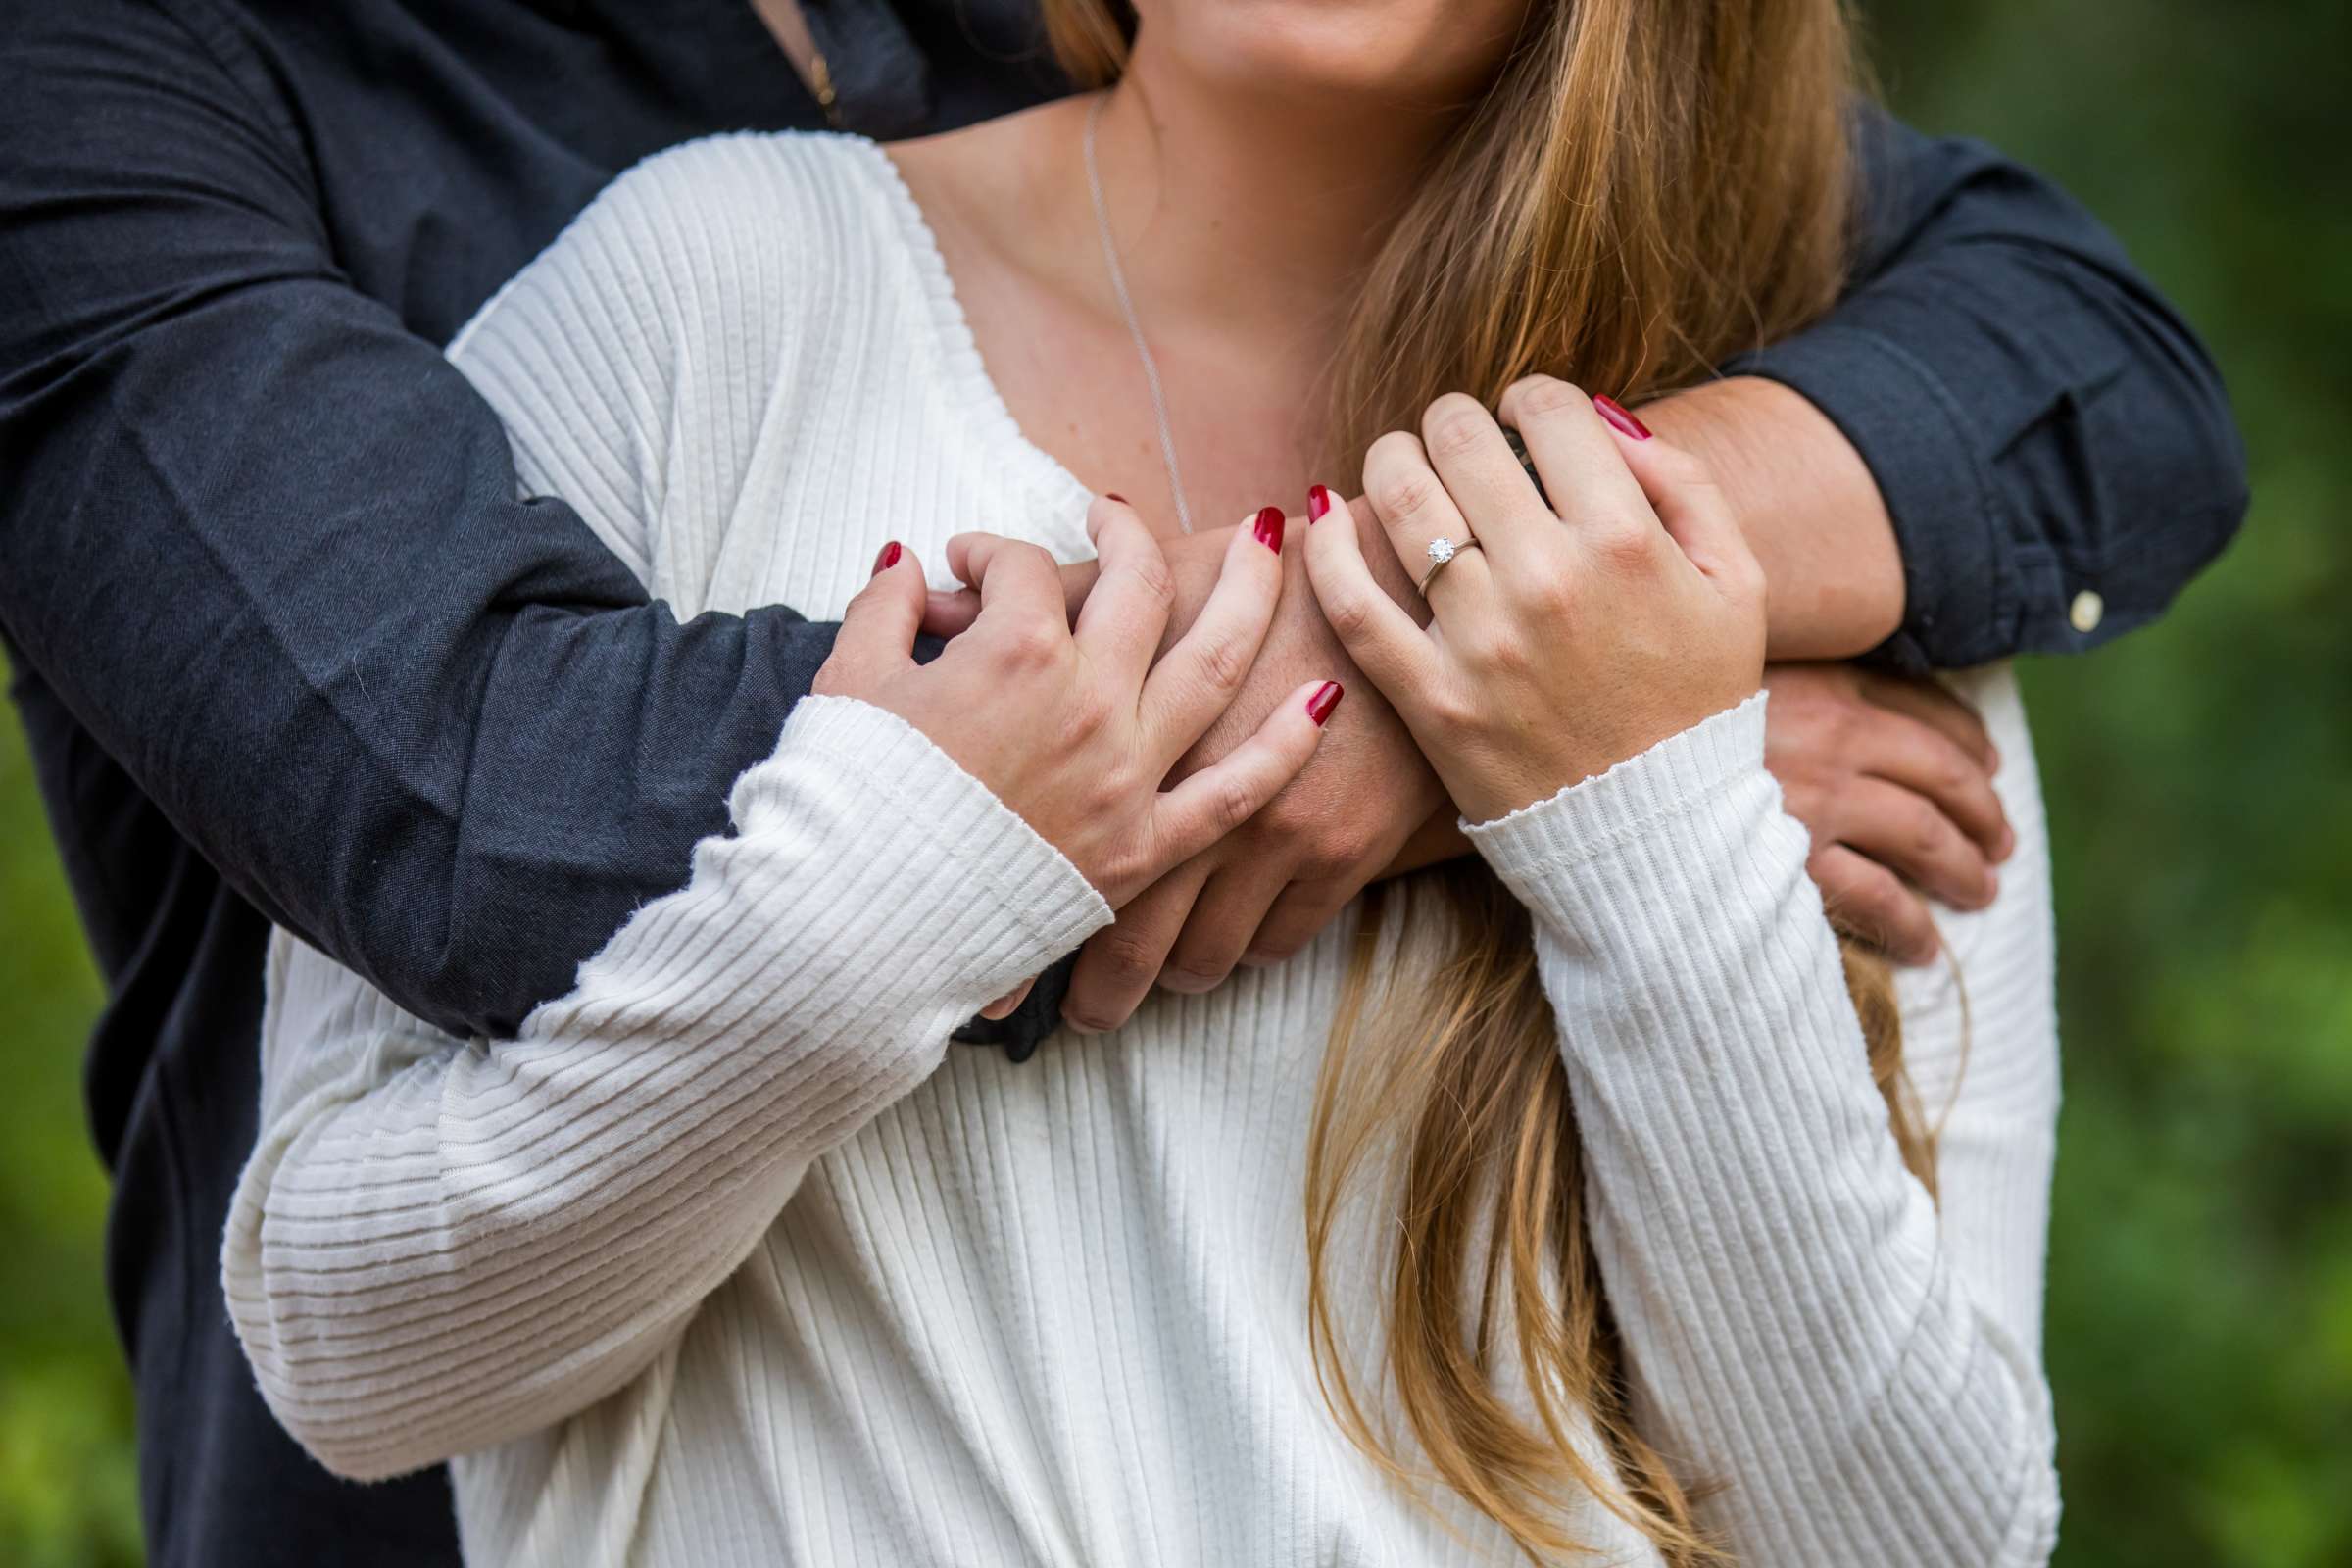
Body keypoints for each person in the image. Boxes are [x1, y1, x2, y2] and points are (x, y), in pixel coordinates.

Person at [0, 3, 2240, 1566]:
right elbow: (468, 766)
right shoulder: (673, 286)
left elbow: (2096, 360)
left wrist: (1627, 770)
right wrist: (1449, 716)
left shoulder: (1757, 504)